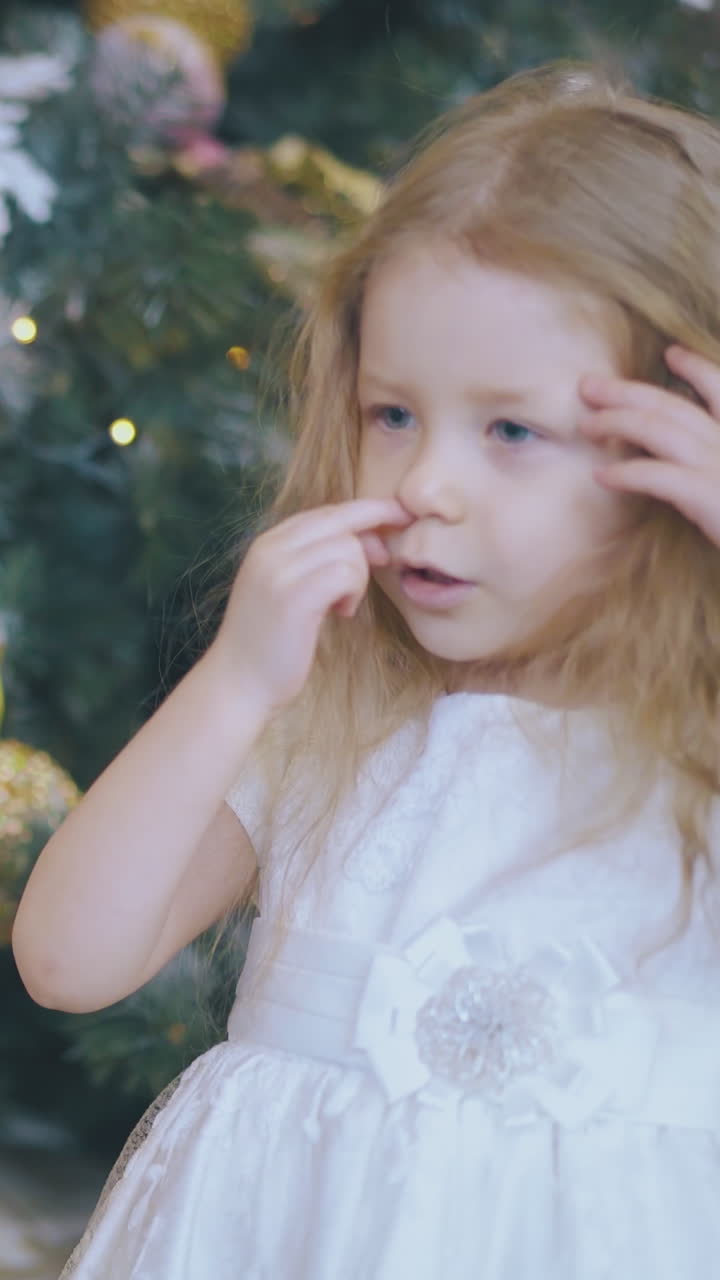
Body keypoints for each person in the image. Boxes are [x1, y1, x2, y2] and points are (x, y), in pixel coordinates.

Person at [11, 58, 720, 1278]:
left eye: (511, 430)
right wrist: (234, 679)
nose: (422, 487)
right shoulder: (331, 709)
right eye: (392, 413)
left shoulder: (697, 742)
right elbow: (70, 959)